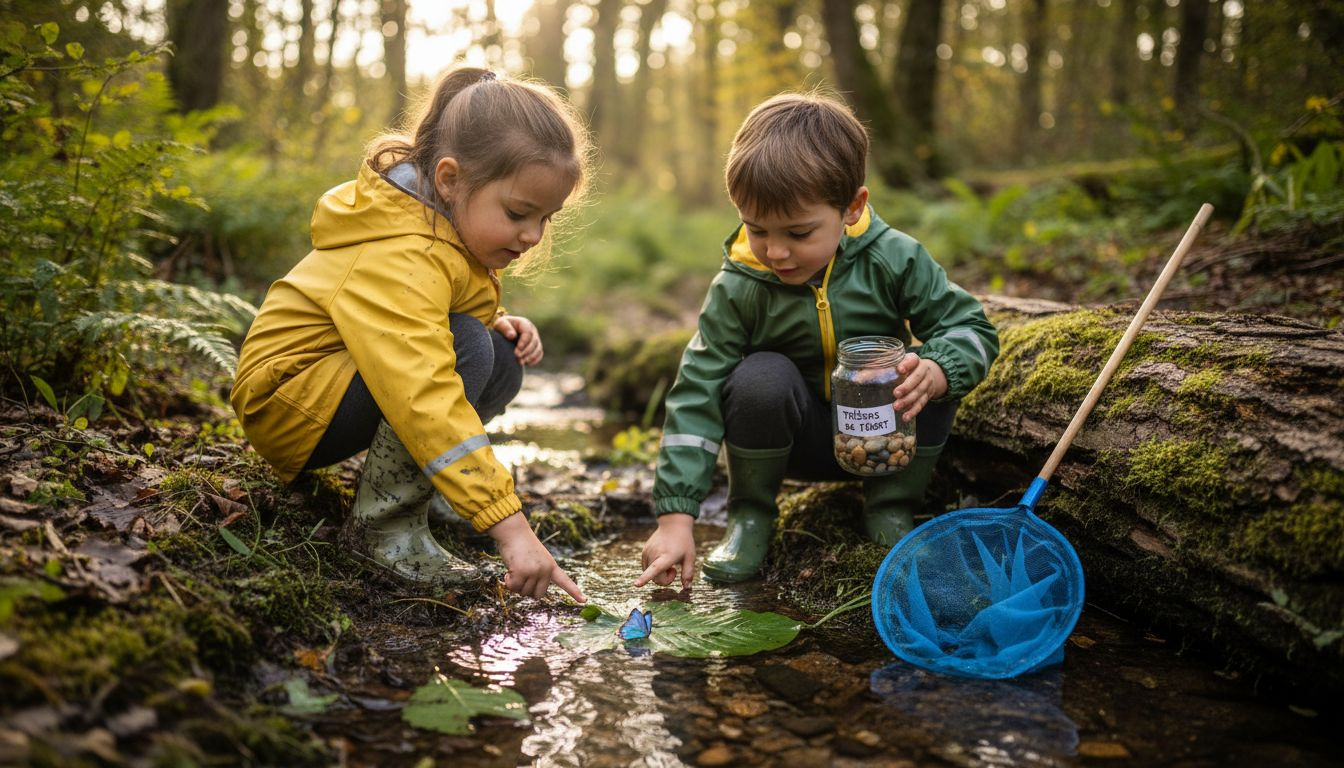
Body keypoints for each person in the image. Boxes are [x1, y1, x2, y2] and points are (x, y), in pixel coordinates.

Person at [231, 66, 588, 603]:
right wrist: (509, 526)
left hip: (333, 388)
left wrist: (495, 320)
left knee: (495, 350)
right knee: (465, 345)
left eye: (547, 218)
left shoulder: (435, 227)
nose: (534, 236)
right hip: (290, 403)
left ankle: (432, 488)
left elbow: (433, 307)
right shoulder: (401, 249)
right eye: (519, 212)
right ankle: (383, 530)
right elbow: (421, 389)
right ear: (448, 180)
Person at [635, 92, 999, 588]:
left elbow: (970, 328)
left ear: (852, 207)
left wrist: (938, 369)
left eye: (799, 232)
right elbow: (697, 388)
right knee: (759, 375)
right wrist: (675, 518)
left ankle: (890, 510)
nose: (776, 251)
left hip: (885, 440)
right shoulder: (739, 285)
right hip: (794, 444)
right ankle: (751, 517)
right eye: (756, 229)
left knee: (921, 368)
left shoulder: (894, 258)